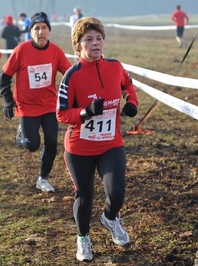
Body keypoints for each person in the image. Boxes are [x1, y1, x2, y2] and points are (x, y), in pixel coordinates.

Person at [56, 17, 138, 262]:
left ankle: (110, 219)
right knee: (85, 197)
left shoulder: (115, 66)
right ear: (78, 45)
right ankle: (83, 238)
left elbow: (128, 85)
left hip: (111, 144)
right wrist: (85, 112)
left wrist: (131, 103)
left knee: (117, 191)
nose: (95, 43)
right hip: (80, 148)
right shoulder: (72, 76)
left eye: (99, 38)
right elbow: (61, 113)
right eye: (88, 39)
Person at [0, 11, 71, 193]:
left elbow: (70, 75)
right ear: (30, 32)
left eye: (44, 28)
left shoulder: (55, 51)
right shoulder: (21, 51)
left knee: (52, 143)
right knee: (32, 146)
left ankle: (43, 178)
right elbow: (4, 77)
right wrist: (8, 101)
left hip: (48, 105)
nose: (41, 32)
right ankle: (21, 134)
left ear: (49, 31)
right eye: (37, 29)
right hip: (26, 106)